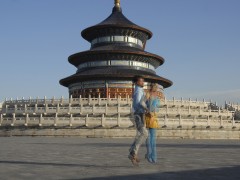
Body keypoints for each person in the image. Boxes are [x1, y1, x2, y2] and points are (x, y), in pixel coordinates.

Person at [128, 76, 149, 166]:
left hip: (139, 114)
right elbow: (140, 103)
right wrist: (146, 109)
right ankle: (133, 152)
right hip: (138, 115)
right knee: (144, 133)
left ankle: (132, 153)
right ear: (137, 82)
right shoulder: (138, 91)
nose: (143, 82)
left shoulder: (138, 90)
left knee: (140, 134)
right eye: (141, 81)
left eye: (143, 80)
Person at [141, 83, 160, 163]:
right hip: (149, 116)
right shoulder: (148, 94)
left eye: (156, 87)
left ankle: (152, 156)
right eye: (154, 87)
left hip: (154, 117)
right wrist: (147, 110)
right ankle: (150, 155)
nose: (156, 88)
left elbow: (157, 107)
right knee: (150, 138)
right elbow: (142, 102)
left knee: (153, 138)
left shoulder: (157, 95)